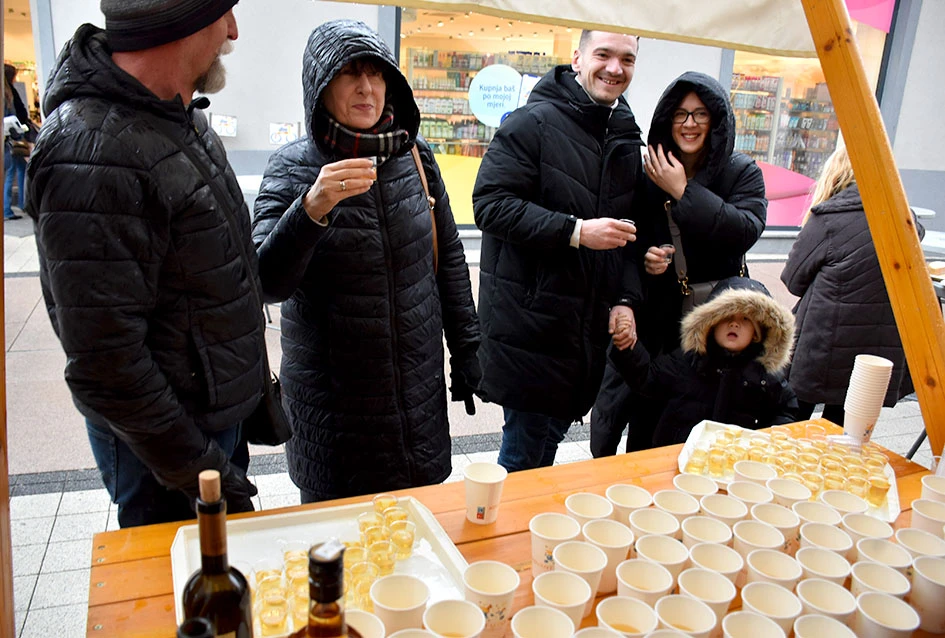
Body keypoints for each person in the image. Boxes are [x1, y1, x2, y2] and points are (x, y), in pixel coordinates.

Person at [26, 0, 264, 527]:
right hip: (164, 452)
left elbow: (224, 275)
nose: (233, 30)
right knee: (173, 598)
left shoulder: (180, 119)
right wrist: (203, 473)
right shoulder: (90, 151)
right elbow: (106, 363)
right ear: (177, 22)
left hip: (207, 426)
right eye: (223, 12)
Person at [252, 20, 481, 504]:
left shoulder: (415, 156)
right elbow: (265, 281)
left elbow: (449, 263)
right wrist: (310, 207)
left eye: (376, 75)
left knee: (418, 547)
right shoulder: (293, 167)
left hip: (415, 399)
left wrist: (468, 354)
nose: (365, 87)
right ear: (320, 86)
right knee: (342, 558)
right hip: (335, 414)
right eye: (349, 74)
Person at [473, 29, 645, 472]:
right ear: (577, 58)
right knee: (524, 460)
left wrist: (625, 301)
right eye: (603, 55)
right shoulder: (531, 123)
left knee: (541, 454)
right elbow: (489, 205)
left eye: (626, 59)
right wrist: (576, 231)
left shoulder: (624, 135)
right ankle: (505, 535)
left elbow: (629, 237)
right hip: (531, 331)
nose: (614, 68)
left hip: (580, 336)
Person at [591, 71, 767, 456]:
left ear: (717, 121)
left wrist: (684, 191)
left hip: (716, 323)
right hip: (660, 323)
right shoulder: (649, 171)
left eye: (701, 114)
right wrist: (648, 258)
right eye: (681, 114)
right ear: (668, 119)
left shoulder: (741, 171)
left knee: (703, 427)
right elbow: (631, 240)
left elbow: (745, 230)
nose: (689, 124)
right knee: (647, 426)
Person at [781, 141, 921, 424]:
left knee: (793, 419)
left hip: (823, 345)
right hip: (877, 351)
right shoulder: (905, 220)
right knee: (848, 429)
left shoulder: (829, 220)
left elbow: (793, 280)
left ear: (835, 174)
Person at [609, 277, 797, 446]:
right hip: (681, 452)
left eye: (746, 319)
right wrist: (628, 347)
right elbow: (648, 378)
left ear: (756, 334)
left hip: (735, 458)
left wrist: (767, 440)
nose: (734, 324)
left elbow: (786, 409)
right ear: (711, 324)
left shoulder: (764, 374)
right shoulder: (689, 359)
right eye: (727, 317)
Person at [4, 64, 30, 220]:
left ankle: (21, 203)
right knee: (13, 172)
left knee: (20, 169)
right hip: (10, 139)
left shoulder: (8, 93)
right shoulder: (8, 94)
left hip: (10, 139)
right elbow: (16, 115)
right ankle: (9, 208)